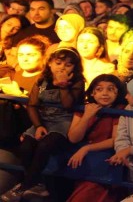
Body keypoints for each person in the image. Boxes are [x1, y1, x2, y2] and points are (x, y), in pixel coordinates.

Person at [1, 48, 85, 201]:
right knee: (25, 147)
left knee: (44, 146)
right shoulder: (42, 80)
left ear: (75, 67)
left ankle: (23, 186)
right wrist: (38, 126)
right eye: (58, 63)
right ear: (50, 63)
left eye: (68, 65)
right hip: (42, 120)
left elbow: (67, 105)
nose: (62, 67)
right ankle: (38, 184)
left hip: (63, 122)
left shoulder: (77, 82)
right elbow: (32, 105)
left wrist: (63, 85)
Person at [66, 74, 128, 202]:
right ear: (93, 93)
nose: (105, 93)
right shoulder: (84, 108)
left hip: (103, 159)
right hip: (81, 159)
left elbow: (115, 140)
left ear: (118, 93)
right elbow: (73, 138)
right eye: (99, 89)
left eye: (110, 89)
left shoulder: (120, 110)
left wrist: (87, 148)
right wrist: (87, 116)